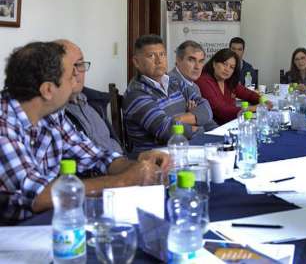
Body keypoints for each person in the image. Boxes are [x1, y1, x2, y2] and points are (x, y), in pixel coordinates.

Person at [0, 41, 168, 223]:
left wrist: (138, 167)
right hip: (14, 233)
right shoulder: (4, 125)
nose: (76, 80)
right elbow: (36, 196)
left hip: (49, 222)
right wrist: (123, 181)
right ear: (48, 90)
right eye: (70, 77)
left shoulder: (52, 115)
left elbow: (95, 157)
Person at [123, 35, 214, 151]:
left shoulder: (174, 82)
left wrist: (176, 119)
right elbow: (167, 130)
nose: (159, 60)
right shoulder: (136, 94)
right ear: (136, 62)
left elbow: (206, 108)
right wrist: (196, 124)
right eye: (151, 56)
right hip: (158, 158)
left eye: (162, 54)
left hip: (187, 148)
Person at [57, 40, 123, 154]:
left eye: (80, 64)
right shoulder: (54, 113)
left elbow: (115, 144)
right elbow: (89, 160)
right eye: (68, 66)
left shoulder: (94, 102)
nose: (76, 72)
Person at [197, 48, 269, 125]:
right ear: (214, 64)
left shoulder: (228, 81)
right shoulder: (203, 81)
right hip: (214, 129)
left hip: (230, 124)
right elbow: (221, 110)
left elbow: (248, 94)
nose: (227, 69)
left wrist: (263, 101)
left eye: (231, 67)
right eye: (224, 64)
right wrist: (253, 108)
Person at [168, 40, 217, 131]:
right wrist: (193, 117)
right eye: (191, 60)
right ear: (178, 60)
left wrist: (220, 133)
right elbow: (172, 125)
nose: (197, 67)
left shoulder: (194, 86)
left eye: (201, 61)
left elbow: (207, 117)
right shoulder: (170, 83)